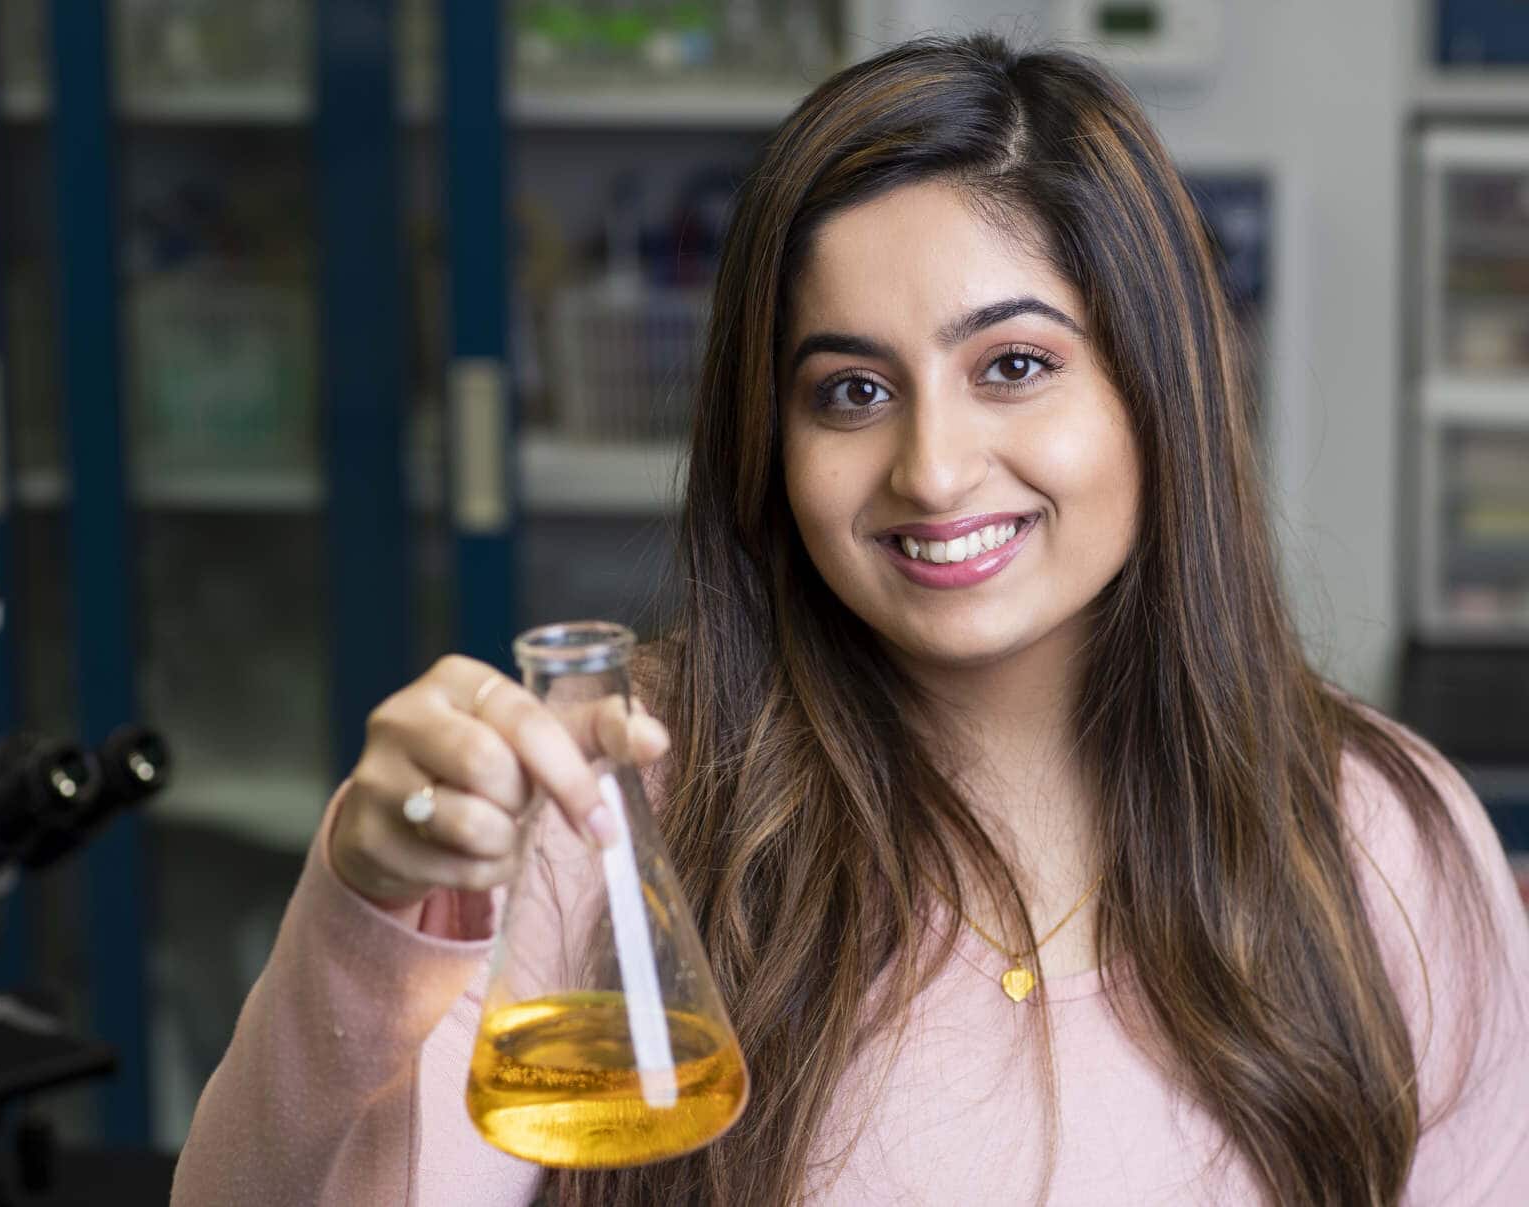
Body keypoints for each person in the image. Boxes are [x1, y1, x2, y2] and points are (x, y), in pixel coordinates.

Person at [172, 33, 1529, 1206]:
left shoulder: (1380, 837)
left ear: (1155, 395)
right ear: (773, 441)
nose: (932, 470)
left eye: (1013, 366)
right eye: (853, 393)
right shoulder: (611, 809)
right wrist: (369, 896)